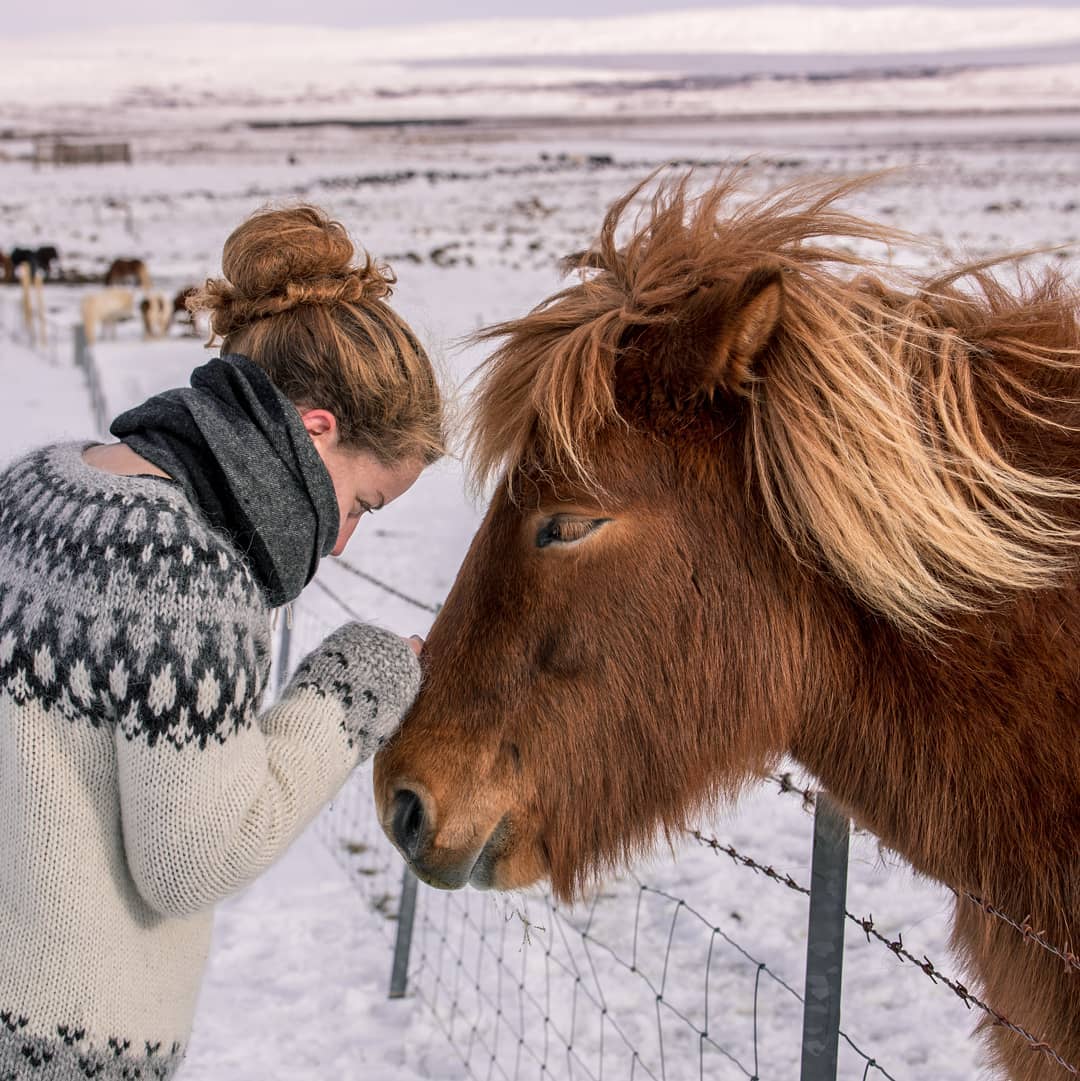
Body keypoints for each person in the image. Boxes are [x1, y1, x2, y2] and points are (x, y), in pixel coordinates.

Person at [0, 205, 444, 1079]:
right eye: (362, 502)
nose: (342, 540)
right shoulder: (192, 568)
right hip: (55, 1046)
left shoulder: (37, 482)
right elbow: (193, 855)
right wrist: (353, 688)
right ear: (316, 428)